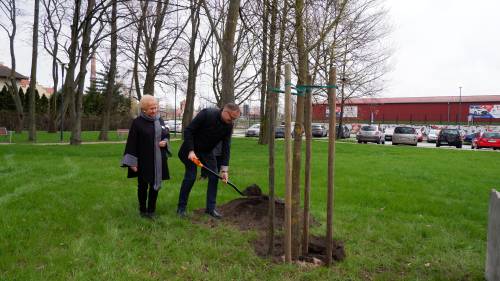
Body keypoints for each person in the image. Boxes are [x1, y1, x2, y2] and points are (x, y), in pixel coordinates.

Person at [177, 103, 240, 219]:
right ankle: (181, 208)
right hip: (190, 150)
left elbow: (226, 146)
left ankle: (210, 209)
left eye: (234, 119)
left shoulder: (228, 126)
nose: (231, 121)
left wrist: (224, 170)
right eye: (231, 118)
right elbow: (188, 131)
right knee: (191, 176)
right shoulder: (207, 114)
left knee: (214, 177)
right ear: (225, 112)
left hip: (207, 152)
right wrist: (191, 151)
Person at [121, 95, 171, 219]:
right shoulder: (137, 122)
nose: (154, 111)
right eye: (151, 109)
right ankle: (143, 210)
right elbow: (131, 142)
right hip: (143, 160)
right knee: (143, 185)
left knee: (155, 185)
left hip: (158, 160)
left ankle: (151, 211)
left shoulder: (160, 120)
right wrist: (132, 163)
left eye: (155, 108)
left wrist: (165, 142)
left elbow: (166, 135)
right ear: (144, 109)